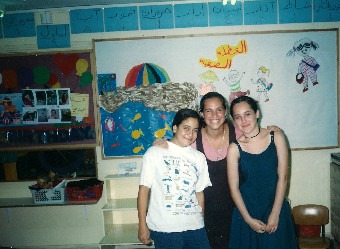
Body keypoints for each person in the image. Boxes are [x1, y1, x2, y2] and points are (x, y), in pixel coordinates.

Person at [153, 92, 279, 249]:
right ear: (201, 114)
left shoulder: (239, 133)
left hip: (238, 211)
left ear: (225, 112)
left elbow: (258, 135)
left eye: (219, 110)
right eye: (208, 111)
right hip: (206, 213)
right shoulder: (193, 139)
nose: (214, 115)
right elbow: (175, 145)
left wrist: (271, 129)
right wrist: (161, 141)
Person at [227, 96, 297, 249]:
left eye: (247, 114)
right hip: (247, 212)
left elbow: (283, 177)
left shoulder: (276, 137)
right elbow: (234, 188)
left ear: (257, 114)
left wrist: (275, 213)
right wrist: (248, 219)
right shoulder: (234, 148)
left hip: (275, 206)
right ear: (234, 121)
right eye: (238, 117)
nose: (244, 120)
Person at [137, 108, 212, 249]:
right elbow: (143, 190)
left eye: (195, 130)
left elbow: (199, 193)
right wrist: (142, 224)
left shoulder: (199, 157)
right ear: (175, 127)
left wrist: (200, 220)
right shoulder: (154, 153)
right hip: (165, 228)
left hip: (194, 226)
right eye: (186, 128)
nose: (191, 134)